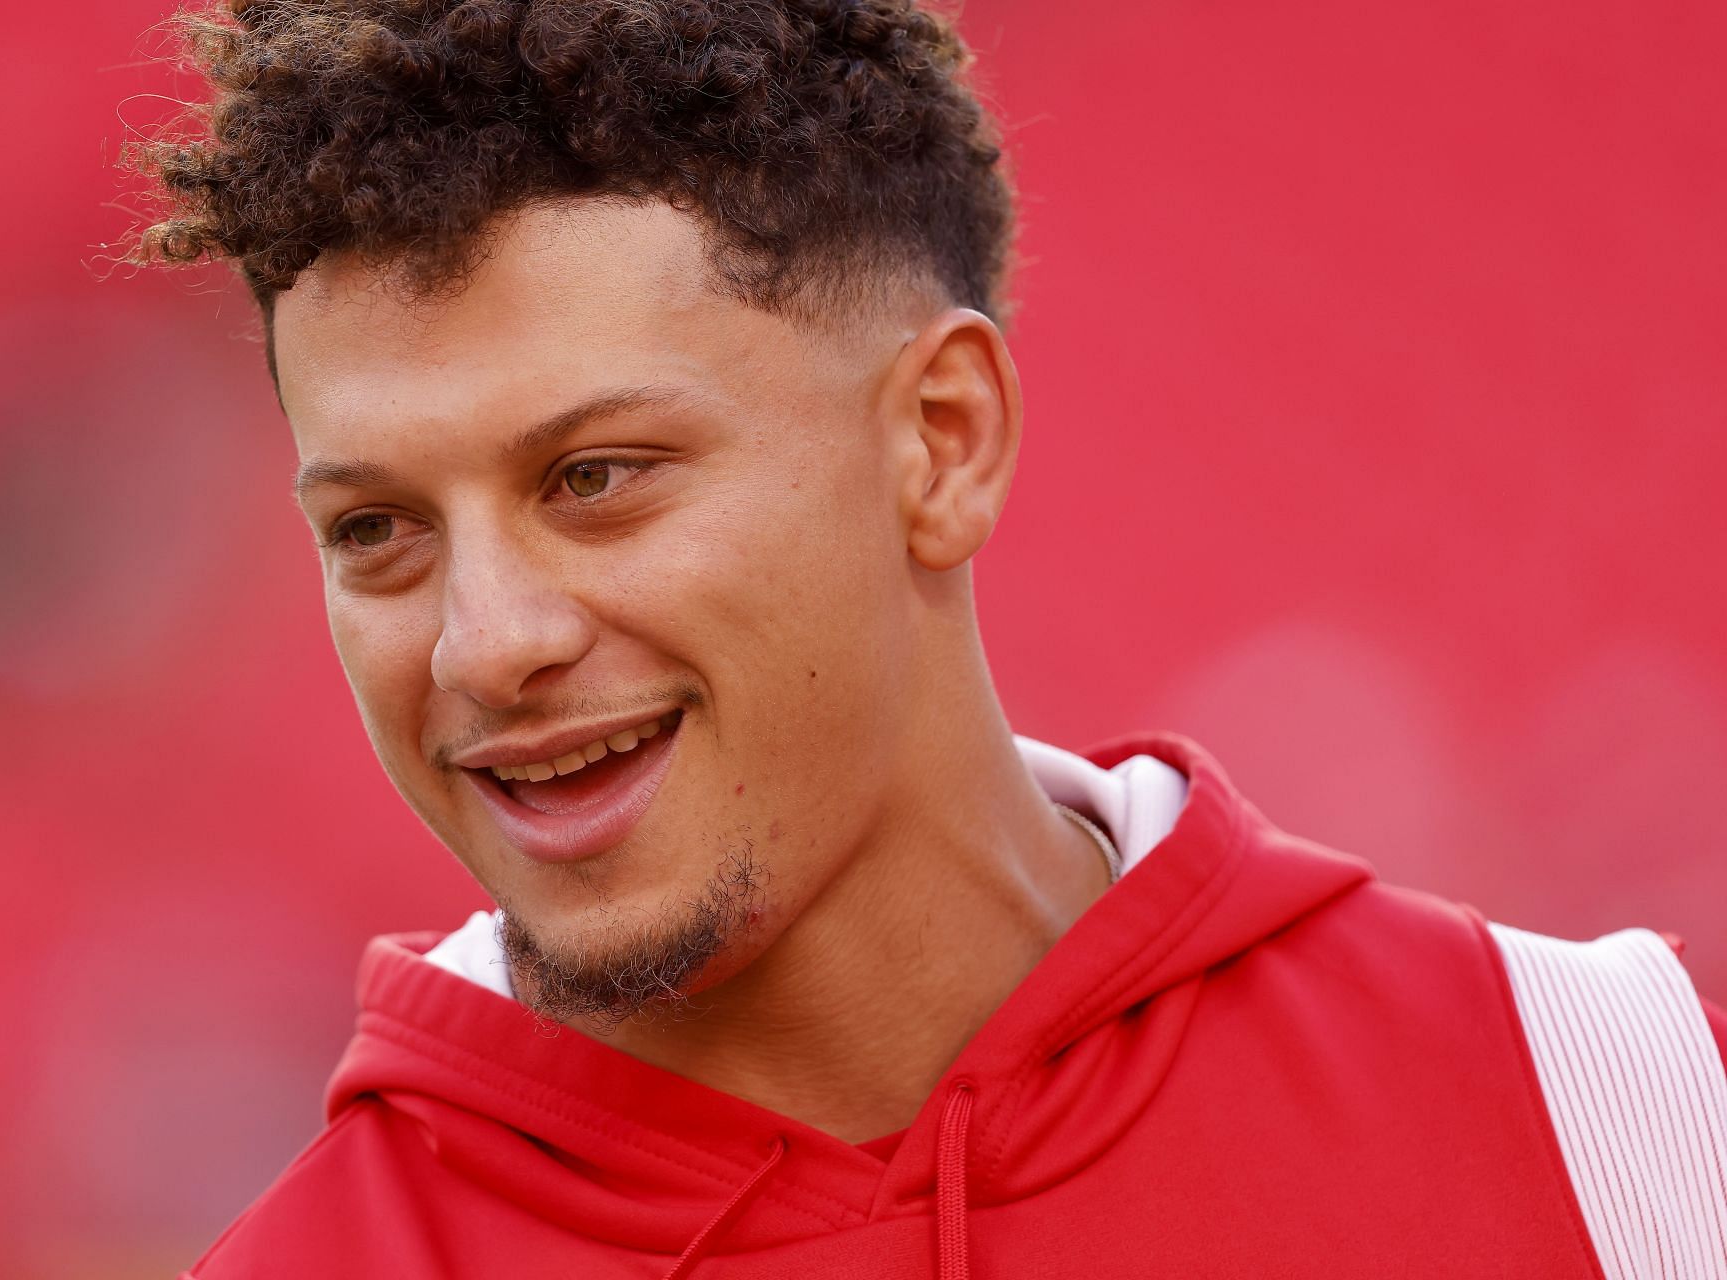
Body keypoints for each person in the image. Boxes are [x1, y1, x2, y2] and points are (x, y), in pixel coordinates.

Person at [125, 1, 1727, 1275]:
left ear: (942, 441)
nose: (483, 644)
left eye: (594, 478)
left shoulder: (1605, 1111)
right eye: (376, 532)